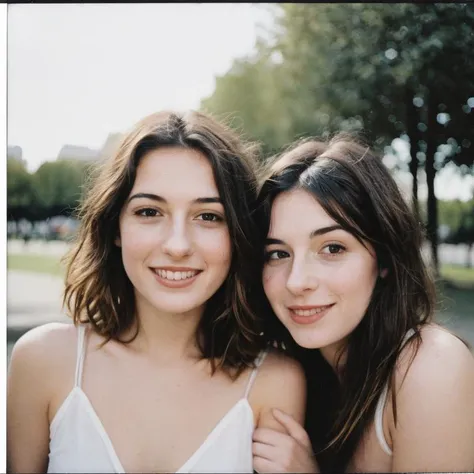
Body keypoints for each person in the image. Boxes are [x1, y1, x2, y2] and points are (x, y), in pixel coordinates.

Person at [7, 110, 306, 473]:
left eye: (208, 216)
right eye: (149, 212)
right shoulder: (44, 362)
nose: (177, 245)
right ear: (115, 227)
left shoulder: (274, 382)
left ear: (237, 234)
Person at [252, 133, 474, 473]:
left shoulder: (430, 365)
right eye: (278, 253)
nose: (297, 282)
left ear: (384, 258)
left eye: (333, 249)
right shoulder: (285, 373)